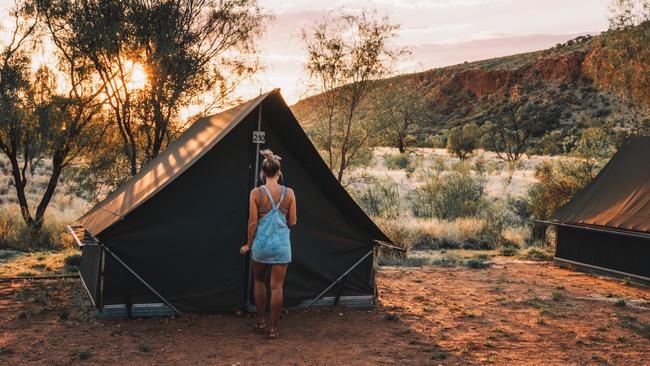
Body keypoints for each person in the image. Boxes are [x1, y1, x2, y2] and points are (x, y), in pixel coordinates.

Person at [240, 149, 297, 339]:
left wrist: (248, 244)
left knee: (259, 281)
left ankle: (260, 322)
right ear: (278, 172)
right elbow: (293, 222)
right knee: (277, 287)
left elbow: (252, 222)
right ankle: (273, 329)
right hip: (282, 246)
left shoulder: (256, 193)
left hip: (261, 246)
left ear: (263, 173)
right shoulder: (289, 193)